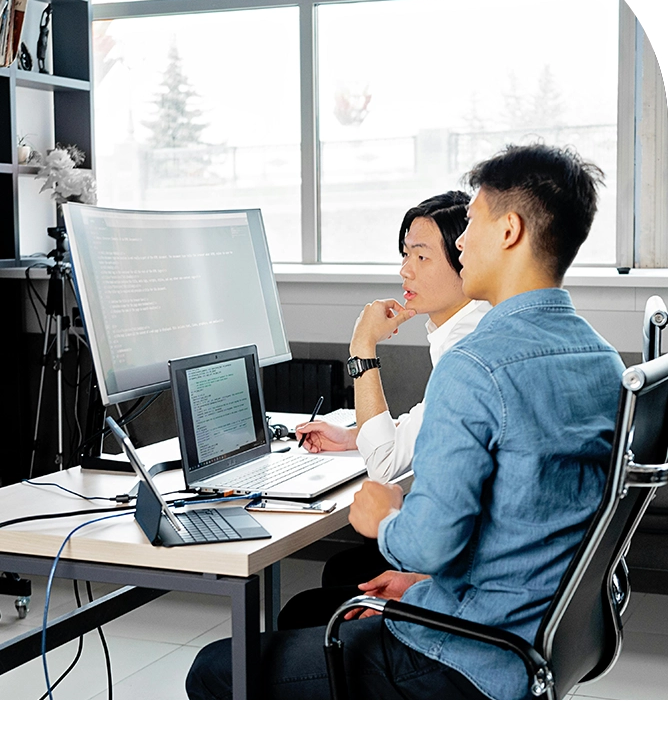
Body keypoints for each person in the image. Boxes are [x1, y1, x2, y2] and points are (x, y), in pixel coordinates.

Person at [186, 143, 625, 701]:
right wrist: (427, 585)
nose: (462, 242)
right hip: (538, 640)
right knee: (317, 611)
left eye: (473, 223)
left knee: (215, 669)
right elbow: (536, 524)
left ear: (509, 230)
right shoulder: (602, 358)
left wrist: (384, 519)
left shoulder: (477, 365)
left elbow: (426, 543)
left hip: (464, 653)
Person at [278, 192, 491, 627]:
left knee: (302, 610)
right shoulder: (474, 328)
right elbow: (430, 424)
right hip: (474, 557)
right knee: (342, 570)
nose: (405, 270)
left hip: (466, 578)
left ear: (464, 259)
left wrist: (363, 347)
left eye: (422, 256)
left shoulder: (467, 349)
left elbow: (386, 466)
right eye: (404, 254)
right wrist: (354, 436)